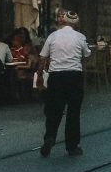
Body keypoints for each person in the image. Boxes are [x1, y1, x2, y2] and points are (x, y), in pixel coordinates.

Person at [36, 11, 88, 157]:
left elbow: (43, 58)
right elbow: (86, 55)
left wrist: (39, 76)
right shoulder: (80, 37)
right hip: (74, 76)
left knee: (53, 110)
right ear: (75, 24)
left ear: (63, 21)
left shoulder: (53, 36)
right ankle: (72, 146)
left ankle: (50, 137)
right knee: (73, 112)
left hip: (56, 76)